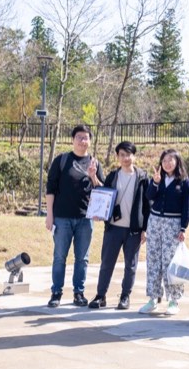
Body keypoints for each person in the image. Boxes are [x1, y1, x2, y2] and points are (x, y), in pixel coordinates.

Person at [45, 124, 103, 308]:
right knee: (60, 256)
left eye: (86, 138)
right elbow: (50, 189)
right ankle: (56, 292)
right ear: (73, 139)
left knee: (82, 258)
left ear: (90, 141)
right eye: (79, 137)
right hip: (62, 218)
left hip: (85, 219)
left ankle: (79, 292)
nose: (82, 141)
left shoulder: (94, 163)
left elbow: (102, 191)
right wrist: (50, 215)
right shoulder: (61, 160)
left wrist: (93, 176)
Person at [88, 141, 149, 311]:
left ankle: (125, 296)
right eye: (122, 155)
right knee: (106, 262)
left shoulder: (142, 177)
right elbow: (103, 192)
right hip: (113, 228)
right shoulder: (113, 176)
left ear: (134, 156)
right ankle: (101, 295)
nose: (126, 158)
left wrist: (145, 229)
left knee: (130, 265)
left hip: (133, 230)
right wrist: (93, 177)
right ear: (118, 157)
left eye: (129, 154)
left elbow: (147, 205)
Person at [140, 148, 189, 315]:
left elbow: (187, 207)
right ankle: (152, 299)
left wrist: (183, 227)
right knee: (153, 260)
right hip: (155, 222)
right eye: (164, 160)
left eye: (171, 160)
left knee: (170, 263)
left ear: (177, 162)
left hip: (173, 223)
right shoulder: (157, 178)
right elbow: (149, 197)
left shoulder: (184, 182)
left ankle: (173, 300)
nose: (167, 163)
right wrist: (155, 183)